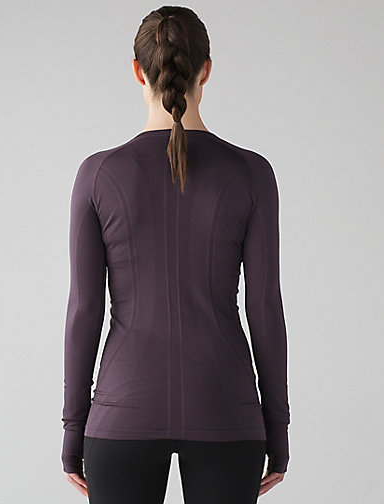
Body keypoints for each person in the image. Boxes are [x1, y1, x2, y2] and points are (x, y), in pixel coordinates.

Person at [61, 5, 290, 503]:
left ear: (138, 71)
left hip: (121, 414)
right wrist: (277, 426)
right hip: (227, 412)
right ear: (206, 70)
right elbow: (264, 308)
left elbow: (84, 311)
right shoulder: (252, 174)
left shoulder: (99, 175)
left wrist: (73, 427)